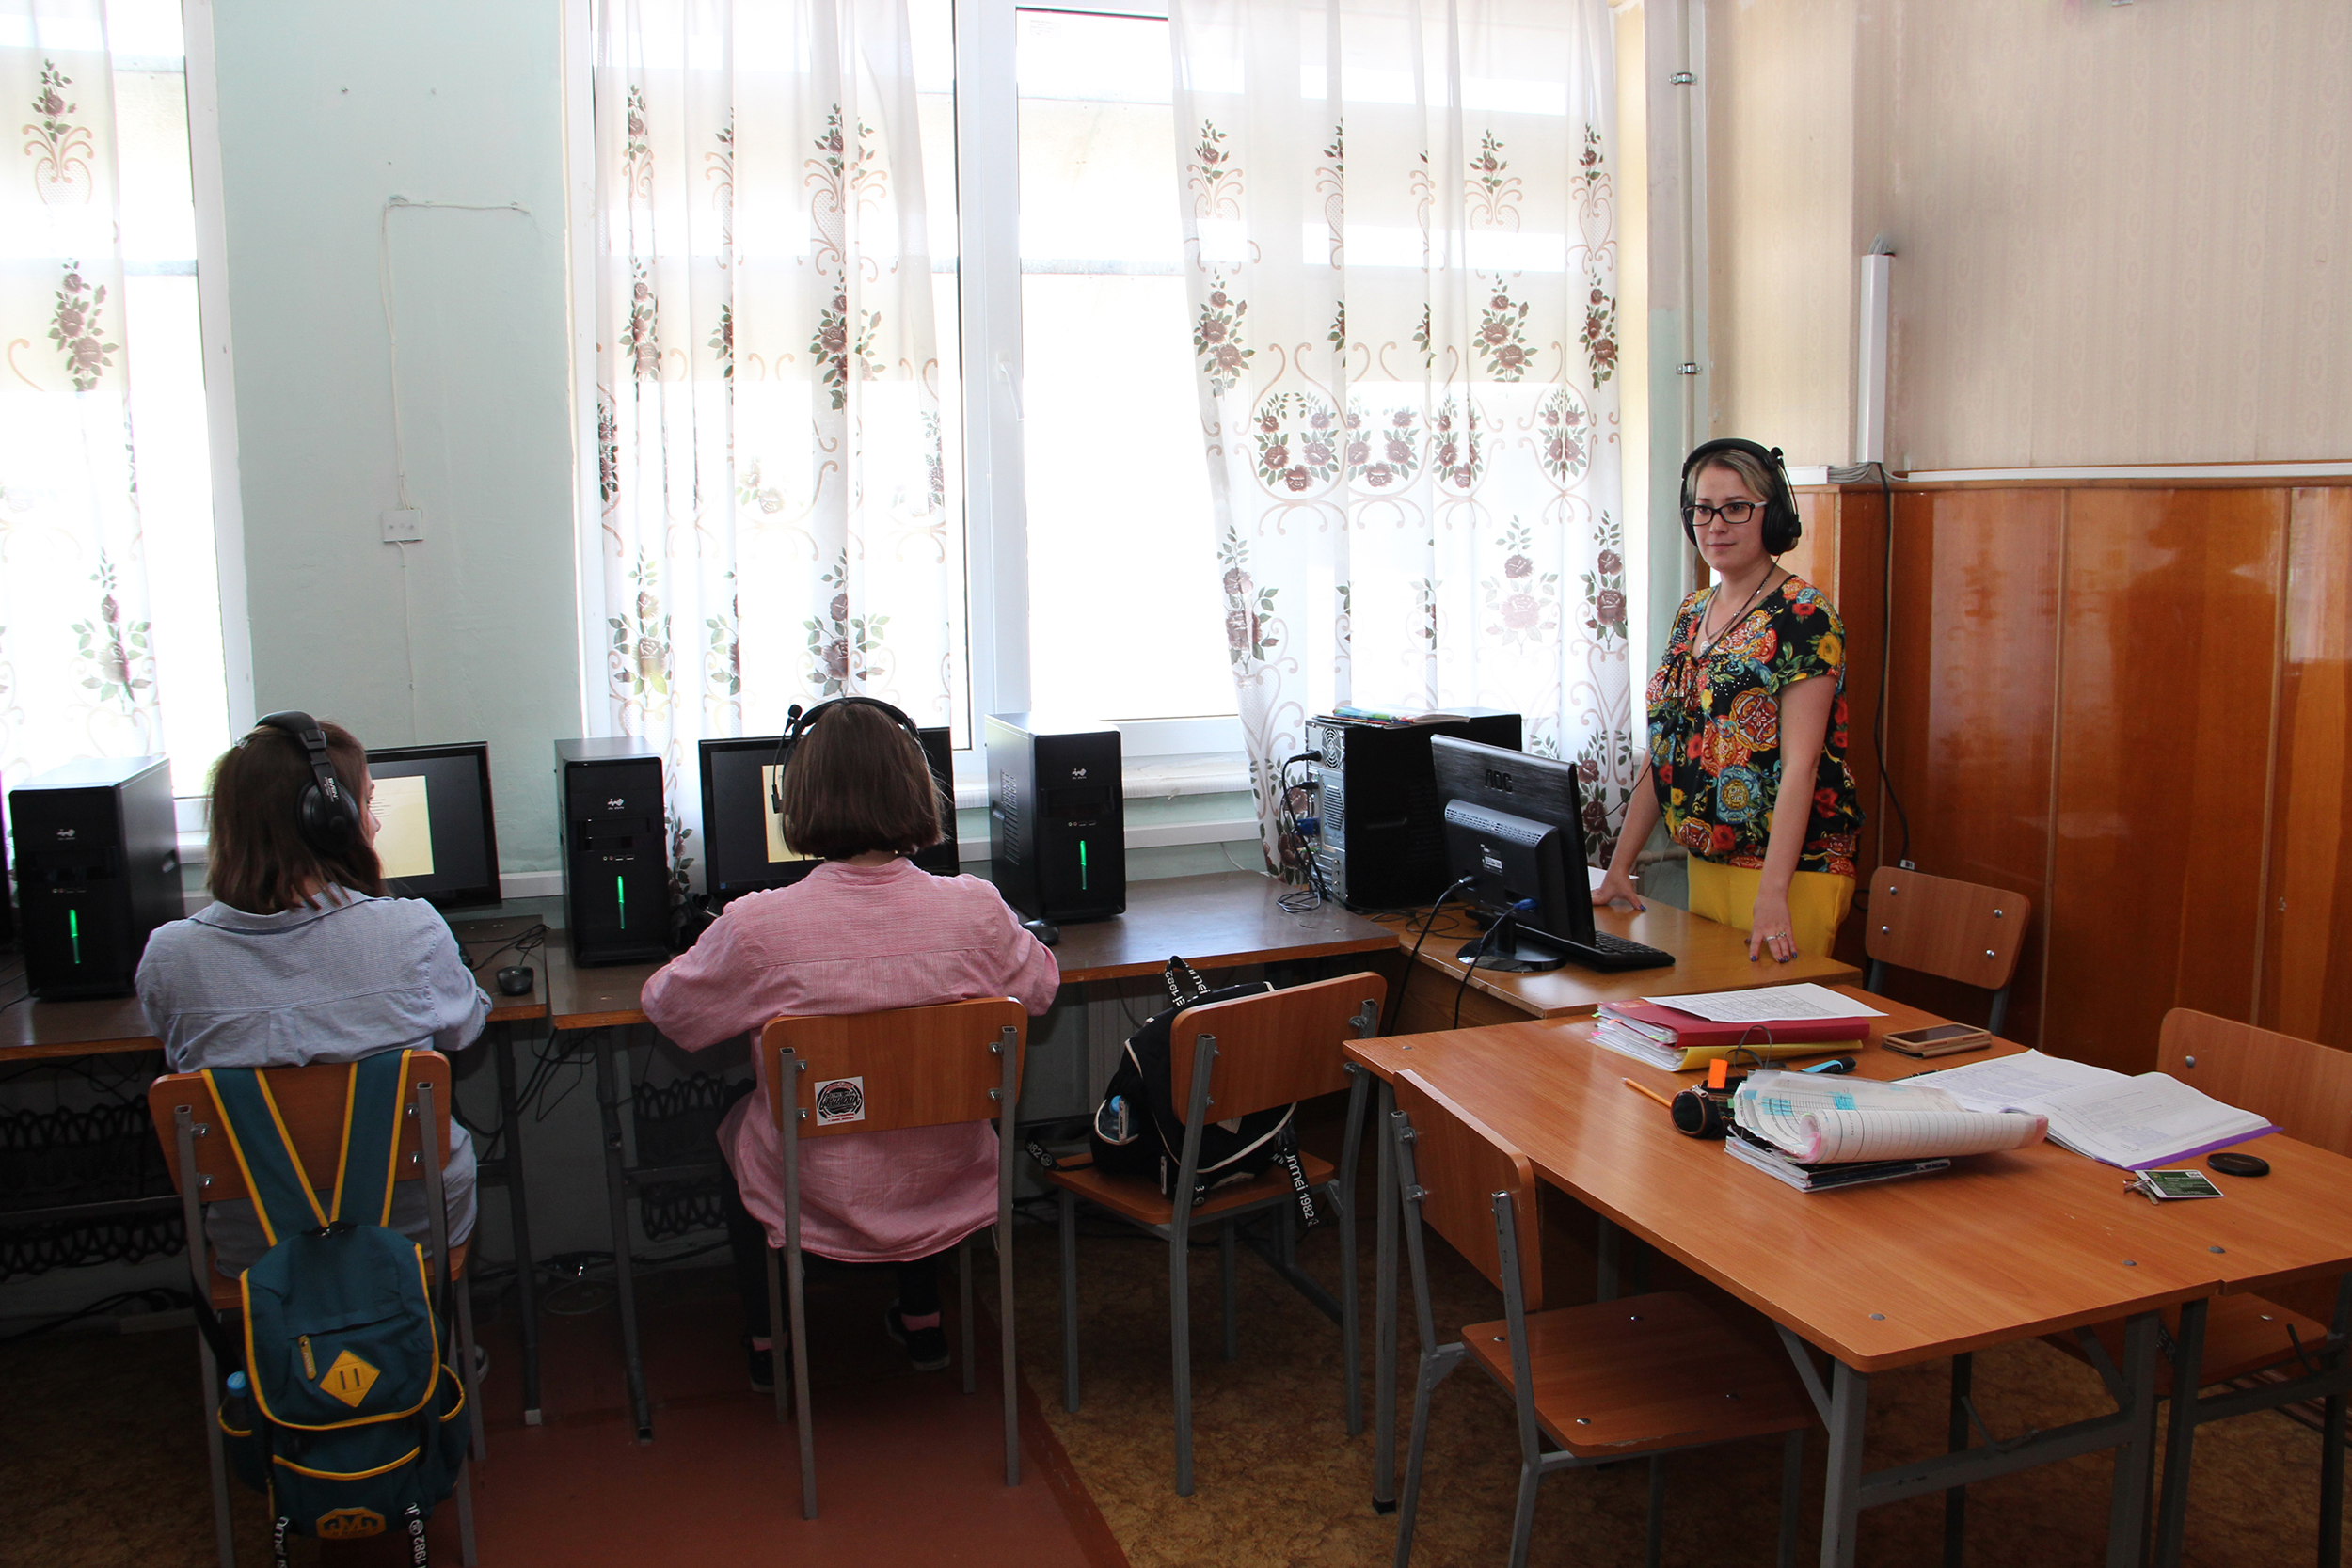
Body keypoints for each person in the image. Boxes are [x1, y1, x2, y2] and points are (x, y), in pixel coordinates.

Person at [640, 700, 1057, 1390]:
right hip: (946, 1175)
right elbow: (1039, 989)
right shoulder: (978, 908)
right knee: (912, 1095)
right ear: (918, 789)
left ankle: (769, 1338)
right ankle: (922, 1318)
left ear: (794, 798)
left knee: (738, 1116)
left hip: (816, 1188)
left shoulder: (757, 926)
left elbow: (670, 1009)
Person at [136, 713, 489, 1274]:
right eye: (366, 804)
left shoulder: (168, 957)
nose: (374, 823)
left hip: (258, 1250)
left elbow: (178, 1056)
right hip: (412, 1233)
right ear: (330, 822)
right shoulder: (413, 931)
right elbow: (464, 1030)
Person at [1592, 439, 1863, 962]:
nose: (1715, 525)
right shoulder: (1693, 611)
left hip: (1793, 872)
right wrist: (1619, 867)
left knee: (1770, 1008)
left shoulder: (1804, 615)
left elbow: (1802, 766)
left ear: (1773, 516)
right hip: (1710, 860)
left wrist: (1774, 894)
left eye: (1736, 508)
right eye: (1703, 509)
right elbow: (1664, 749)